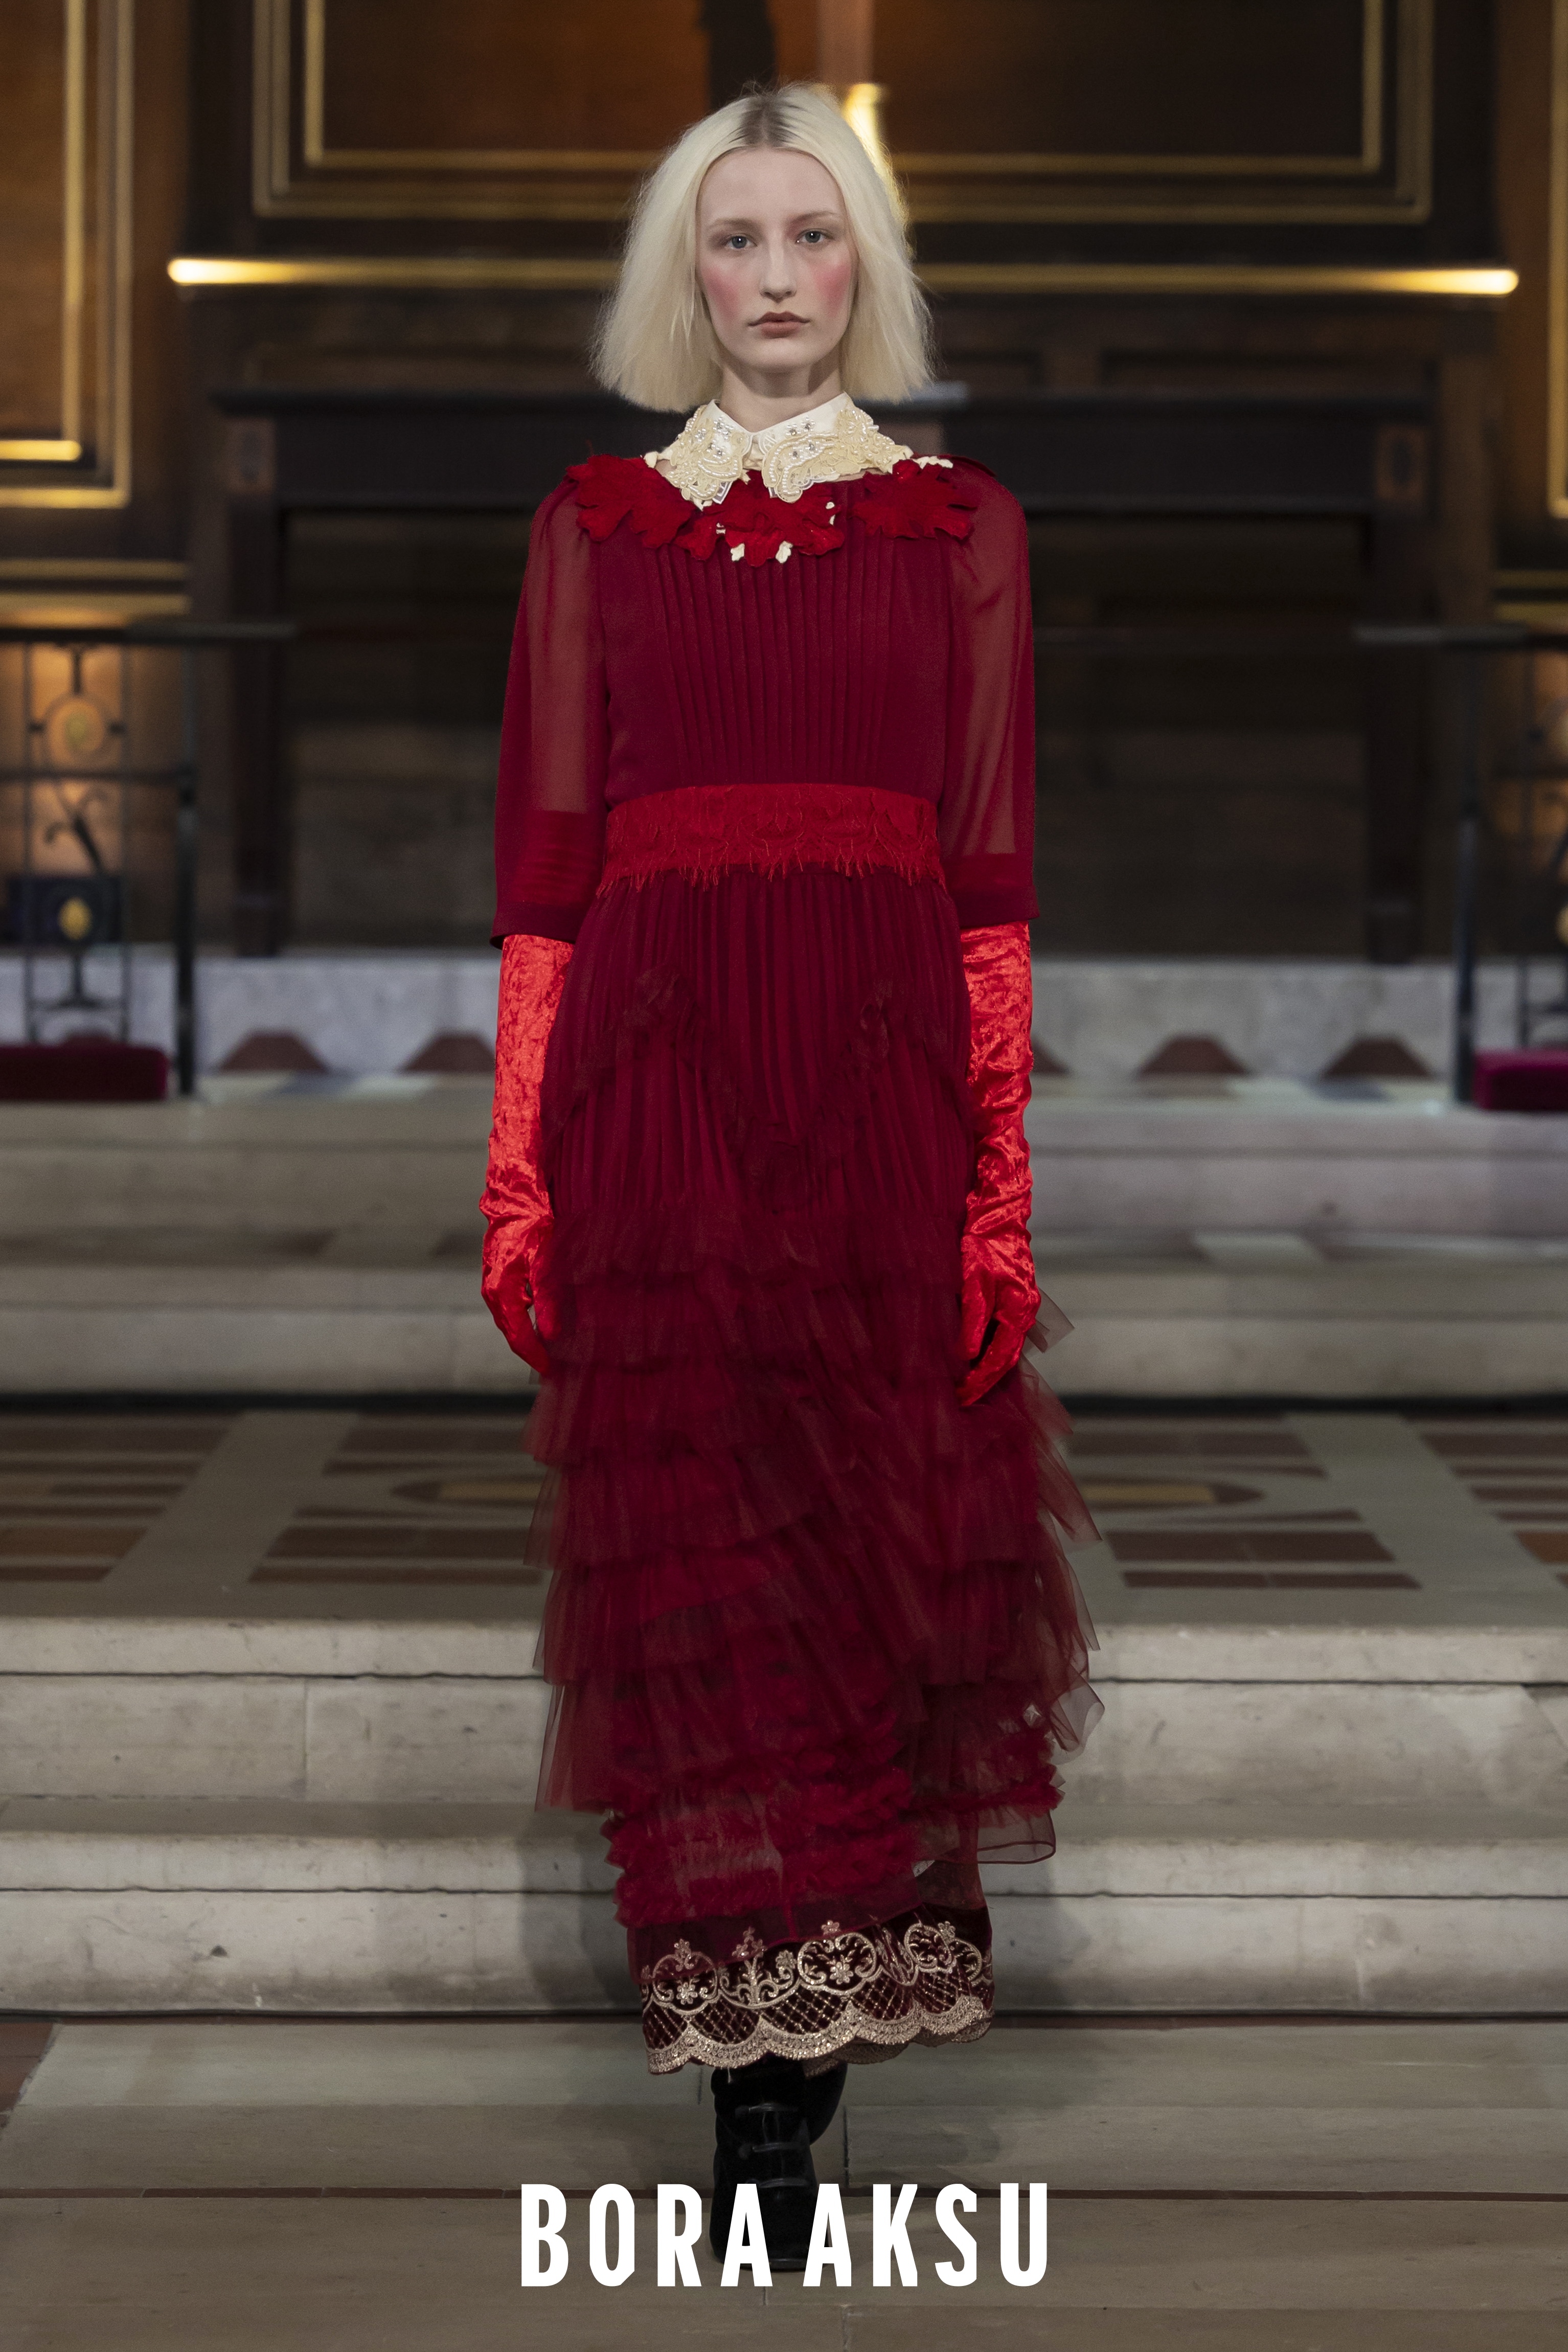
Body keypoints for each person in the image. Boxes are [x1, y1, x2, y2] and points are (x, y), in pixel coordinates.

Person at [481, 82, 1097, 2269]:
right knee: (699, 1571)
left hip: (876, 1088)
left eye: (809, 237)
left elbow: (990, 882)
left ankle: (816, 2047)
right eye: (734, 238)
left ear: (861, 267)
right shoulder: (593, 531)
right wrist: (519, 1171)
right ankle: (746, 2079)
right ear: (686, 270)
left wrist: (994, 1185)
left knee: (856, 1563)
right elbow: (543, 878)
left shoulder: (959, 530)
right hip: (656, 1092)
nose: (772, 277)